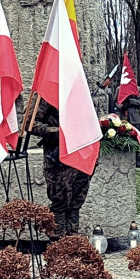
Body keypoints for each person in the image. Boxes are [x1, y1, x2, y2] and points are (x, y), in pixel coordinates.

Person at [31, 101, 93, 239]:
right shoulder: (46, 94)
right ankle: (58, 247)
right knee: (59, 203)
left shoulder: (77, 88)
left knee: (76, 204)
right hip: (58, 160)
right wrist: (59, 132)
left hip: (81, 157)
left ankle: (72, 243)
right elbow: (31, 124)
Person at [120, 92, 140, 167]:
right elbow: (116, 101)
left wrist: (130, 101)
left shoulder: (138, 89)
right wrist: (123, 106)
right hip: (124, 117)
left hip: (135, 118)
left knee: (136, 140)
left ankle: (138, 160)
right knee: (123, 139)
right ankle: (125, 161)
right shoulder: (120, 88)